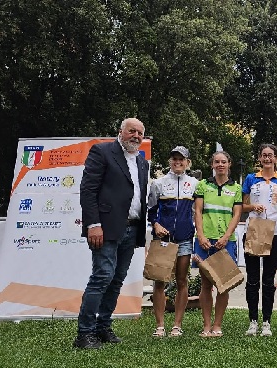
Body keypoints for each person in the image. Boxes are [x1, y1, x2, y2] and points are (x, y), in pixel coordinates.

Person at [74, 118, 149, 349]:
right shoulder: (102, 151)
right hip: (105, 228)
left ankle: (102, 327)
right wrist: (93, 224)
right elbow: (88, 190)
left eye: (140, 133)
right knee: (102, 276)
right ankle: (84, 334)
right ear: (121, 132)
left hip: (132, 228)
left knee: (116, 280)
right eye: (131, 131)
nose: (136, 136)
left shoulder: (142, 162)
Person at [148, 146, 199, 337]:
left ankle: (177, 325)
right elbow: (151, 210)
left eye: (181, 159)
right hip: (163, 238)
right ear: (170, 161)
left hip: (185, 239)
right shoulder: (158, 183)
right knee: (160, 281)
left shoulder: (194, 183)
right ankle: (160, 325)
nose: (178, 162)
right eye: (174, 159)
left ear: (187, 162)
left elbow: (198, 211)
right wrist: (155, 224)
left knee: (181, 281)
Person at [242, 144, 277, 336]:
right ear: (260, 158)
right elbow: (242, 206)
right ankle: (253, 321)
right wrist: (253, 205)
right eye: (264, 155)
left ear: (276, 158)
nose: (267, 159)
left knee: (268, 279)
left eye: (271, 155)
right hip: (253, 230)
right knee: (253, 278)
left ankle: (267, 322)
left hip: (274, 232)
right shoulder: (250, 178)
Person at [193, 151, 242, 337]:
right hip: (205, 240)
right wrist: (201, 235)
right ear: (212, 164)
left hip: (225, 241)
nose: (220, 165)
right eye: (217, 162)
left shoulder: (236, 188)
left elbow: (237, 214)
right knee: (206, 284)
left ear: (229, 164)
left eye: (224, 162)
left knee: (224, 284)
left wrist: (226, 237)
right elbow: (197, 211)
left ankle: (217, 325)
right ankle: (206, 325)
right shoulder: (203, 185)